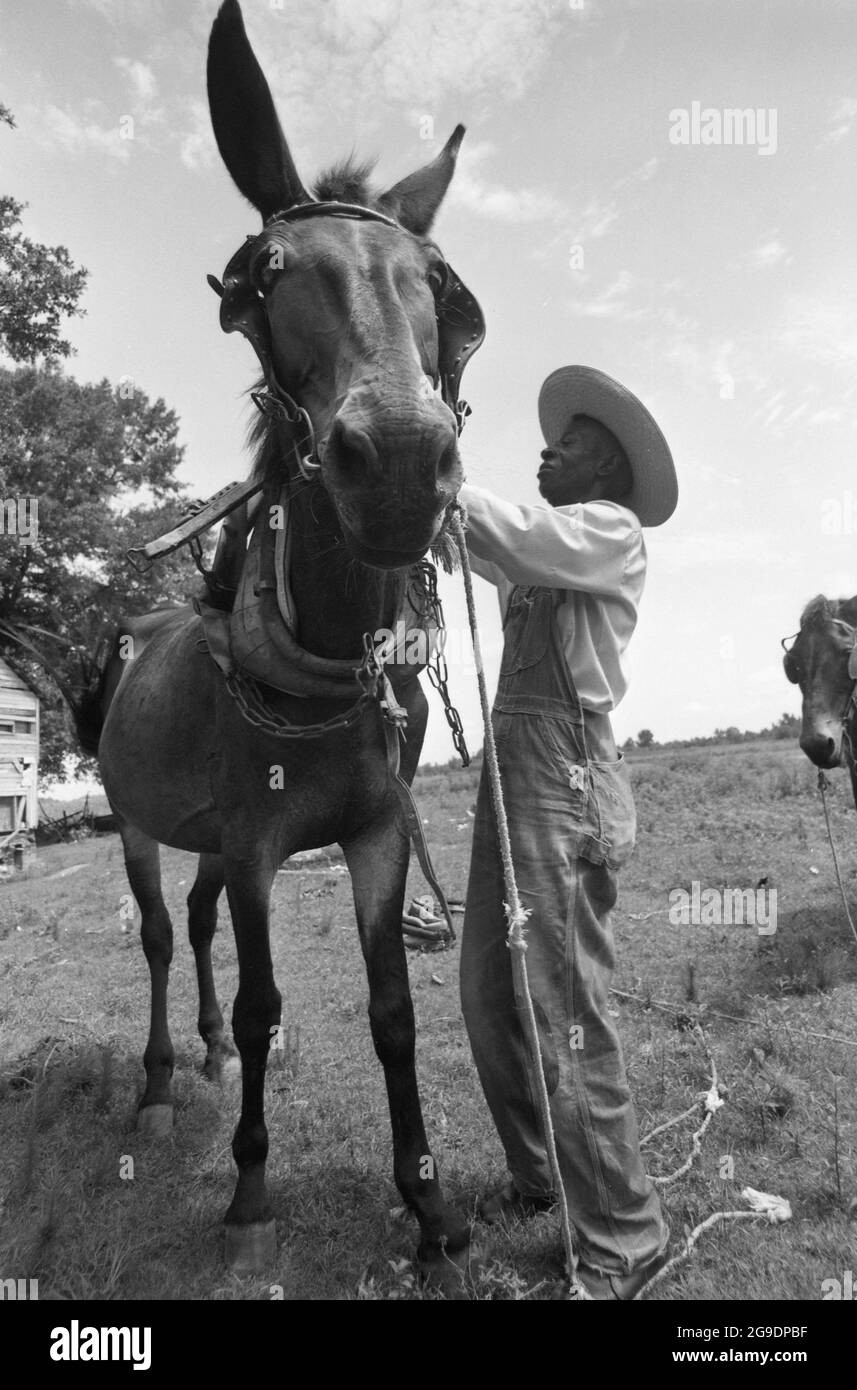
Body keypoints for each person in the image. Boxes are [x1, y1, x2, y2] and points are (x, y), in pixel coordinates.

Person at [458, 365, 678, 1300]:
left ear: (608, 469)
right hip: (514, 765)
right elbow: (477, 540)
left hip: (564, 769)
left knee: (565, 1005)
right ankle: (543, 1174)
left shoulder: (608, 535)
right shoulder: (551, 553)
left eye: (570, 442)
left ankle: (625, 1239)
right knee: (485, 989)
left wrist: (431, 453)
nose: (546, 448)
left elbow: (500, 530)